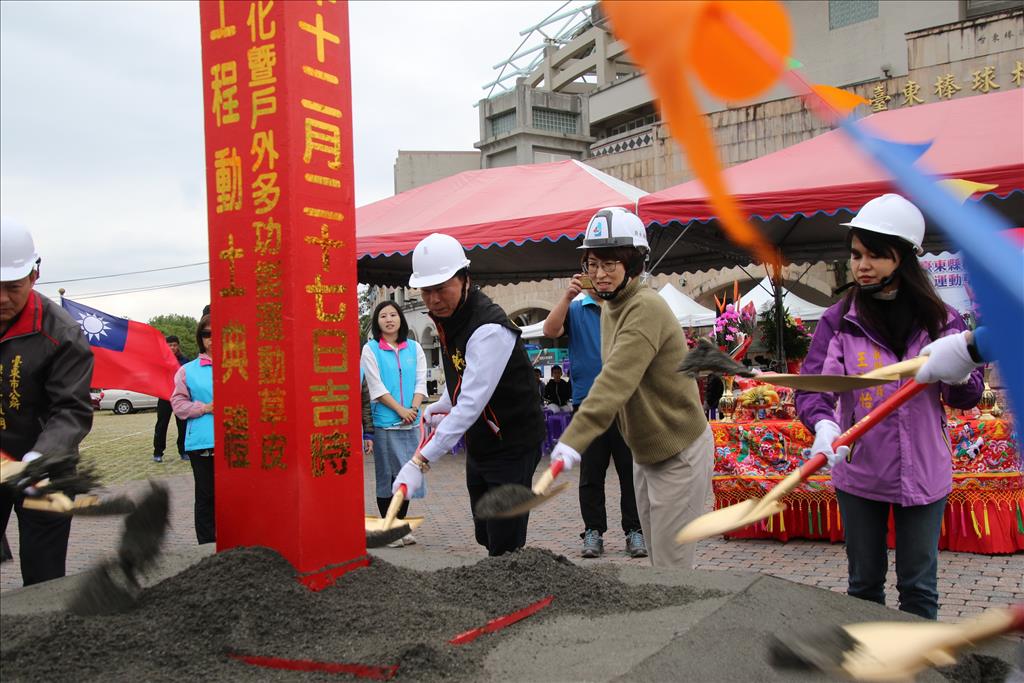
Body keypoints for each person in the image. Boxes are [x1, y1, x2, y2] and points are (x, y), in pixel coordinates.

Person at [795, 194, 983, 620]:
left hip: (925, 471)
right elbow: (812, 390)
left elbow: (968, 395)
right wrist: (824, 426)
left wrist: (955, 372)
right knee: (863, 586)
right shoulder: (838, 320)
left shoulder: (943, 321)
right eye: (857, 254)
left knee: (918, 587)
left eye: (876, 255)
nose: (862, 265)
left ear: (904, 259)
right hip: (860, 471)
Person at [548, 207, 713, 568]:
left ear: (634, 263)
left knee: (671, 568)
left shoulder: (645, 307)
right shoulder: (611, 305)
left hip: (679, 450)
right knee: (658, 561)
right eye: (592, 264)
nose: (600, 274)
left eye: (610, 264)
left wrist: (572, 440)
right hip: (646, 452)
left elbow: (615, 379)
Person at [391, 233, 545, 556]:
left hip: (513, 441)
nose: (433, 299)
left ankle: (512, 593)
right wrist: (443, 403)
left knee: (504, 538)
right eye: (426, 290)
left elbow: (471, 403)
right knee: (484, 530)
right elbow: (462, 375)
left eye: (441, 288)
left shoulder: (488, 328)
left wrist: (420, 461)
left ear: (465, 278)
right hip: (483, 442)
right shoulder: (450, 318)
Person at [0, 218, 94, 585]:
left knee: (44, 574)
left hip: (45, 467)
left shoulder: (62, 334)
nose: (2, 298)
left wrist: (38, 460)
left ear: (34, 276)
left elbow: (71, 410)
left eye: (13, 287)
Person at [543, 271, 646, 559]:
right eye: (592, 268)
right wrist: (566, 296)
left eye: (605, 267)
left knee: (630, 470)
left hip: (626, 401)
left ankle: (635, 530)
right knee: (591, 472)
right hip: (588, 403)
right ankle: (593, 531)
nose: (599, 275)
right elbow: (551, 331)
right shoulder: (576, 308)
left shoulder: (625, 305)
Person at [360, 301, 427, 547]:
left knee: (406, 476)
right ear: (377, 322)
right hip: (385, 423)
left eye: (393, 315)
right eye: (383, 316)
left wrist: (414, 408)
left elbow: (421, 381)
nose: (389, 319)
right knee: (387, 478)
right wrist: (400, 410)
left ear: (400, 319)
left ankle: (400, 527)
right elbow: (375, 388)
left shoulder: (415, 348)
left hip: (410, 422)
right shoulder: (370, 350)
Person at [171, 314, 216, 544]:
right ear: (200, 338)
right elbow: (178, 405)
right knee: (207, 496)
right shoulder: (188, 370)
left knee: (236, 497)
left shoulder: (244, 363)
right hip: (203, 442)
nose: (212, 339)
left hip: (237, 441)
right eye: (207, 334)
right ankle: (207, 547)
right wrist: (205, 408)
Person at [152, 335, 188, 463]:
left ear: (178, 346)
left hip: (180, 398)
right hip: (164, 397)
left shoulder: (184, 361)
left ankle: (183, 451)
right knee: (161, 425)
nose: (172, 347)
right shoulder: (160, 360)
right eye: (170, 345)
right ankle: (158, 452)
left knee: (183, 425)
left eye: (174, 345)